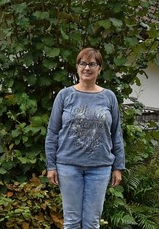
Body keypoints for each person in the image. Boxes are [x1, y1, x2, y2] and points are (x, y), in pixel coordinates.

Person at [45, 47, 125, 229]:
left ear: (99, 68)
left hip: (100, 167)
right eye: (83, 63)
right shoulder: (65, 96)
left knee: (92, 223)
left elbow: (116, 133)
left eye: (92, 64)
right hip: (68, 166)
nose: (87, 68)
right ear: (77, 67)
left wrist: (118, 167)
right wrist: (51, 165)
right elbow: (52, 133)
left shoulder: (109, 97)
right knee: (72, 221)